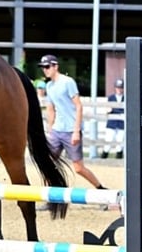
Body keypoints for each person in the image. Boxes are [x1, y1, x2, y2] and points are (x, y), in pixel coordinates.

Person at [37, 54, 107, 207]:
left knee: (78, 168)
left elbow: (78, 106)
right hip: (57, 131)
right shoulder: (49, 86)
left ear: (56, 66)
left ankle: (101, 190)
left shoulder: (68, 82)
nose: (45, 70)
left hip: (70, 131)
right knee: (48, 163)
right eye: (43, 68)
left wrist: (76, 131)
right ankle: (52, 198)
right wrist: (50, 130)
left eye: (47, 67)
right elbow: (50, 109)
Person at [101, 78, 125, 159]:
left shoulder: (125, 98)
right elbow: (108, 109)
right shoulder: (111, 97)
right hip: (112, 123)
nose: (119, 89)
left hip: (121, 123)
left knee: (120, 143)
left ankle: (118, 158)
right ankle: (103, 158)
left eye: (121, 88)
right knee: (108, 141)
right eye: (118, 87)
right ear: (115, 88)